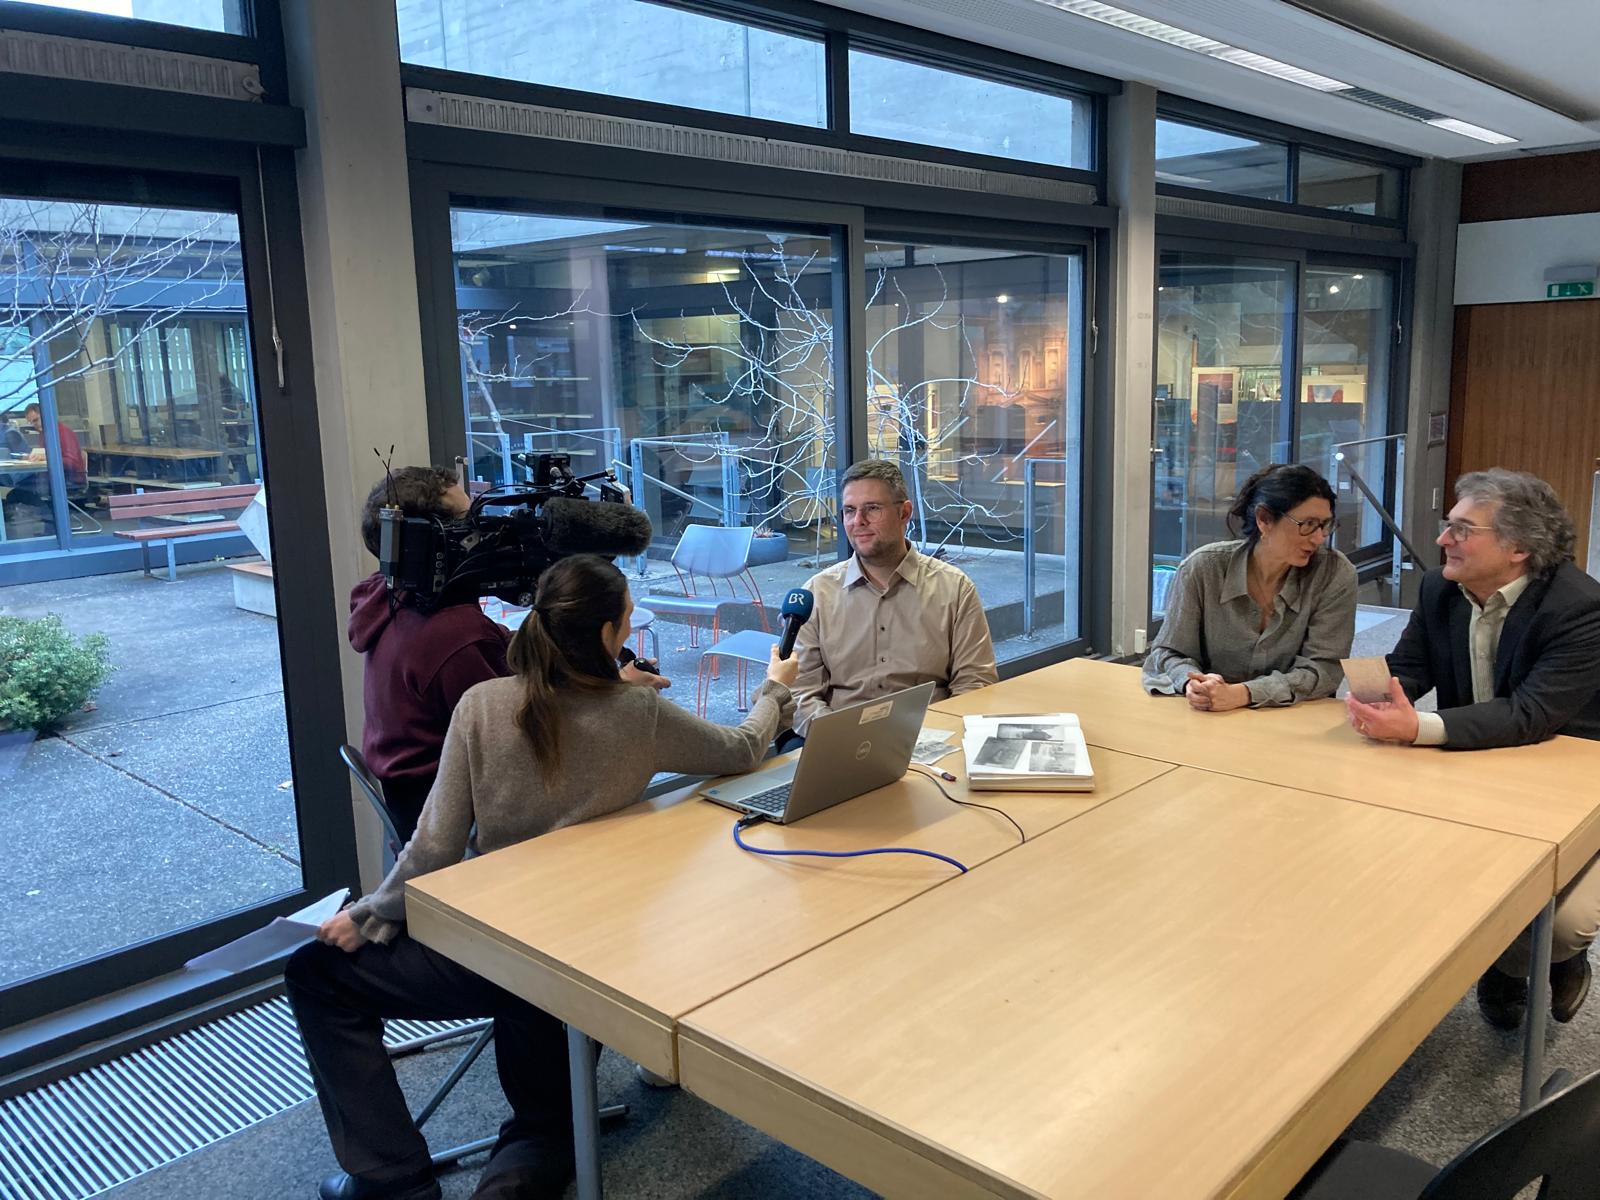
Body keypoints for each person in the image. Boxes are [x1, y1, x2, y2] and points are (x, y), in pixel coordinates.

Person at [289, 555, 798, 1200]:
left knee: (315, 976)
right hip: (590, 964)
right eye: (626, 620)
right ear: (610, 634)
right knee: (544, 1123)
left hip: (491, 951)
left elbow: (432, 848)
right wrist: (774, 691)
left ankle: (392, 1179)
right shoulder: (638, 714)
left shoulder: (481, 705)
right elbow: (744, 750)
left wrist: (369, 915)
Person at [1345, 468, 1600, 1029]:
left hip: (1569, 779)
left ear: (1517, 548)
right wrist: (1376, 698)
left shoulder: (1580, 607)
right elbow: (1410, 667)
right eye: (1448, 525)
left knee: (1562, 926)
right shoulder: (1440, 588)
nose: (1443, 540)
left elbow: (1530, 715)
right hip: (1476, 762)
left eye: (1462, 529)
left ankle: (1527, 963)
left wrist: (1417, 727)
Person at [348, 467, 667, 841]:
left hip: (424, 799)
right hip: (467, 821)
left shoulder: (392, 597)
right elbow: (533, 741)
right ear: (434, 542)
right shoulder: (455, 635)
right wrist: (621, 692)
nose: (488, 534)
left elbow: (505, 653)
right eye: (471, 523)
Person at [790, 458, 996, 738]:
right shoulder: (817, 594)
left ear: (904, 513)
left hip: (929, 737)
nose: (858, 521)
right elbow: (801, 693)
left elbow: (975, 684)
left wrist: (941, 736)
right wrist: (838, 739)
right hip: (842, 738)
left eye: (872, 508)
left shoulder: (955, 589)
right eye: (849, 510)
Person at [1142, 463, 1356, 709]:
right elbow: (1168, 652)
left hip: (1294, 716)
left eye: (1325, 525)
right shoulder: (1203, 568)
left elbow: (1324, 669)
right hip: (1208, 713)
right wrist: (1193, 683)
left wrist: (1243, 694)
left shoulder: (1334, 573)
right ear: (1264, 519)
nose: (1318, 538)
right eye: (1307, 524)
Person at [23, 402, 86, 487]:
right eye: (31, 422)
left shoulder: (63, 433)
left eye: (36, 420)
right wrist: (33, 457)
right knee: (22, 486)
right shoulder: (44, 433)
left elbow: (72, 463)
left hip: (70, 480)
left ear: (45, 415)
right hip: (53, 477)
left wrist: (47, 458)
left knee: (23, 490)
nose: (34, 425)